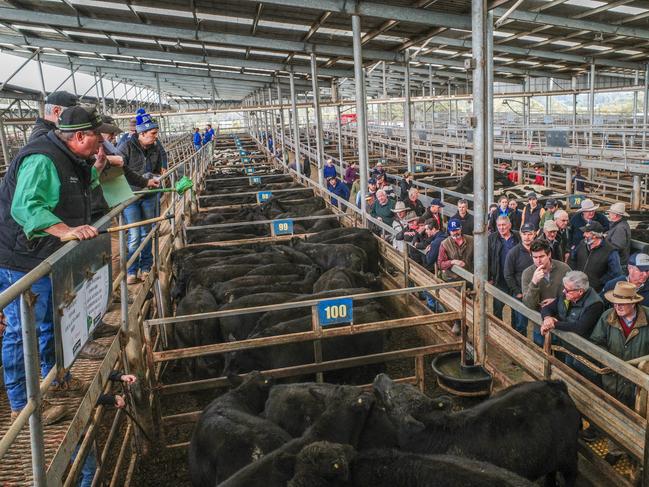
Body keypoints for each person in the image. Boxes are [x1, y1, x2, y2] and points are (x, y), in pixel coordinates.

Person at [0, 106, 113, 423]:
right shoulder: (43, 159)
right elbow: (27, 207)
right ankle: (23, 403)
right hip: (20, 256)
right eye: (98, 136)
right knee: (23, 328)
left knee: (53, 318)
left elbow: (89, 198)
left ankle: (55, 380)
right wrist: (66, 230)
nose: (101, 142)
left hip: (47, 254)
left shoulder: (77, 159)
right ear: (79, 136)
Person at [120, 110, 167, 284]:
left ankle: (146, 267)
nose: (155, 137)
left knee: (147, 232)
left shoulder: (155, 148)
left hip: (149, 196)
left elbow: (159, 164)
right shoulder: (126, 147)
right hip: (131, 196)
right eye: (153, 134)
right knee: (133, 235)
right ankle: (132, 270)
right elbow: (119, 171)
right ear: (142, 133)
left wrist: (156, 175)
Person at [591, 281, 649, 407]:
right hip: (611, 379)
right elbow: (596, 342)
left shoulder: (647, 317)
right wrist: (609, 361)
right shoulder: (607, 316)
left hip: (638, 384)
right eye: (615, 302)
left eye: (623, 303)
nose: (618, 307)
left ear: (633, 303)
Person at [73, 372, 136, 487]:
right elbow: (82, 397)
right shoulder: (65, 385)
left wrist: (119, 376)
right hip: (76, 436)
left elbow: (96, 374)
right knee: (90, 473)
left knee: (80, 471)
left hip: (78, 432)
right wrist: (111, 399)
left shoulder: (65, 373)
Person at [541, 271, 604, 381]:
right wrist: (547, 319)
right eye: (564, 288)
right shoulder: (567, 294)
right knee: (568, 376)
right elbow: (548, 308)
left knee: (587, 381)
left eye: (567, 289)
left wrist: (554, 324)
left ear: (580, 291)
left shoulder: (595, 304)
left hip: (585, 353)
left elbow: (580, 328)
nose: (564, 291)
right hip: (568, 346)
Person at [521, 240, 571, 344]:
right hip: (539, 322)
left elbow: (574, 295)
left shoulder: (564, 269)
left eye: (541, 256)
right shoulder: (527, 273)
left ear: (549, 254)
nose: (538, 261)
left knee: (559, 355)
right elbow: (529, 304)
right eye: (535, 257)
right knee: (540, 353)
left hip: (560, 321)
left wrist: (556, 301)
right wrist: (534, 282)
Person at [438, 218, 473, 334]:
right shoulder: (445, 244)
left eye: (457, 230)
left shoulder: (471, 240)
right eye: (452, 230)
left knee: (468, 305)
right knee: (453, 303)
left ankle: (465, 329)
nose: (455, 232)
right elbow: (441, 263)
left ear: (461, 229)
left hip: (468, 279)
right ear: (449, 231)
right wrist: (452, 262)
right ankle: (457, 323)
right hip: (452, 279)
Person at [503, 222, 536, 335]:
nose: (527, 237)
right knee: (521, 323)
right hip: (521, 293)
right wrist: (517, 292)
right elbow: (508, 274)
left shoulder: (539, 251)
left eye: (530, 234)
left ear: (535, 234)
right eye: (524, 234)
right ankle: (521, 347)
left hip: (538, 293)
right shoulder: (514, 253)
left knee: (539, 323)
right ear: (520, 235)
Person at [569, 221, 622, 293]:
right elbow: (573, 258)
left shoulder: (610, 251)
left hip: (596, 291)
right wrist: (574, 275)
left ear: (595, 235)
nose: (584, 234)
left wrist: (599, 282)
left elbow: (616, 273)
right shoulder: (582, 243)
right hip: (578, 287)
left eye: (587, 232)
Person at [488, 215, 520, 320]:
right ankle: (497, 332)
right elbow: (487, 258)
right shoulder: (492, 238)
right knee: (497, 309)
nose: (501, 228)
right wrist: (489, 277)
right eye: (499, 225)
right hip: (499, 279)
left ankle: (516, 335)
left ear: (509, 225)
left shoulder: (517, 237)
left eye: (504, 225)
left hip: (515, 280)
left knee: (516, 310)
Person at [606, 202, 631, 269]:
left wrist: (603, 244)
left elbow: (617, 247)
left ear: (615, 215)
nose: (609, 214)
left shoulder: (620, 228)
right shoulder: (619, 224)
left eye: (610, 213)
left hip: (619, 263)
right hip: (618, 261)